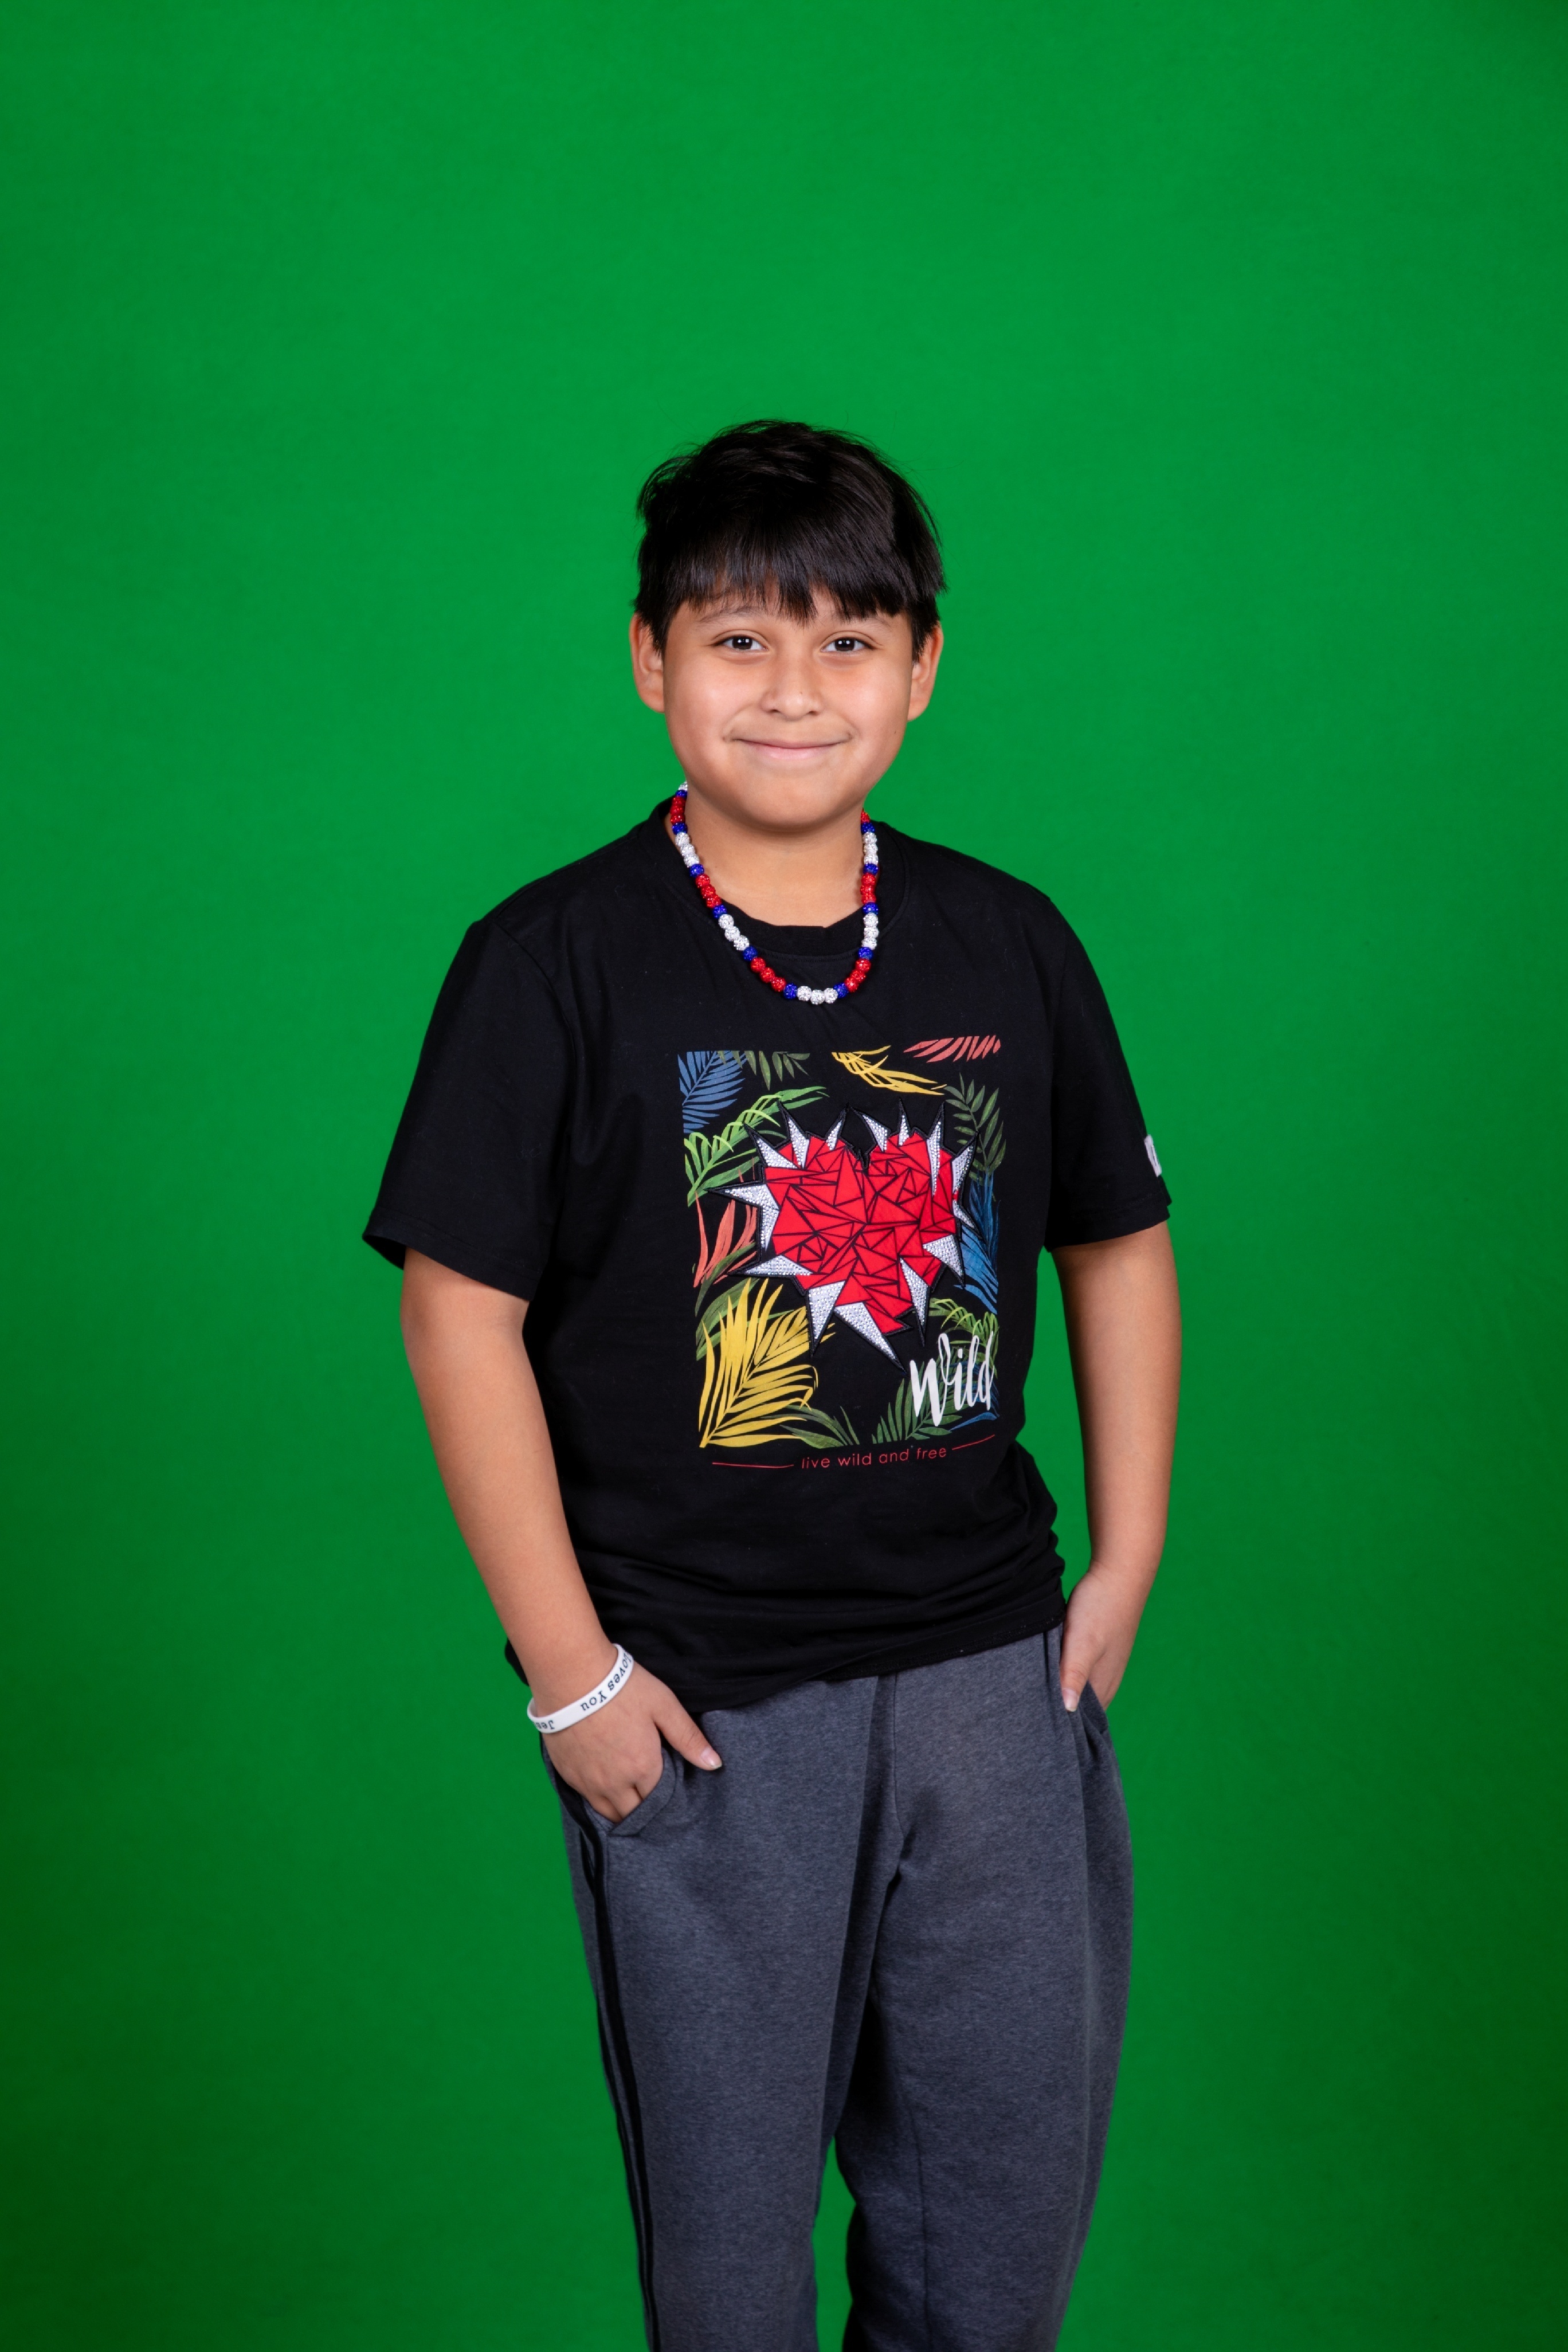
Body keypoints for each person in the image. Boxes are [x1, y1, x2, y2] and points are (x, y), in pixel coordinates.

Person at [364, 419, 1181, 2352]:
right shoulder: (551, 964)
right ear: (650, 659)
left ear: (923, 667)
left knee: (996, 2246)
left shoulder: (1009, 939)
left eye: (846, 640)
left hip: (992, 1684)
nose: (795, 688)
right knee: (731, 2277)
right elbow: (458, 1316)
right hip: (703, 1707)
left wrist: (1127, 1557)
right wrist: (573, 1678)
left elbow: (1118, 1239)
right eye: (739, 639)